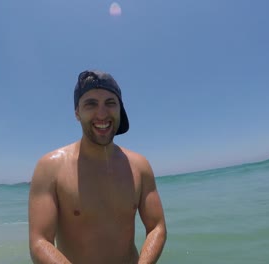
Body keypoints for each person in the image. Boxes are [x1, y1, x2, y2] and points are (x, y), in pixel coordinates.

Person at [28, 70, 167, 264]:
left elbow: (157, 227)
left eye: (110, 103)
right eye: (91, 104)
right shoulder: (50, 168)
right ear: (77, 112)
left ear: (120, 109)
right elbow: (39, 242)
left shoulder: (139, 166)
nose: (102, 114)